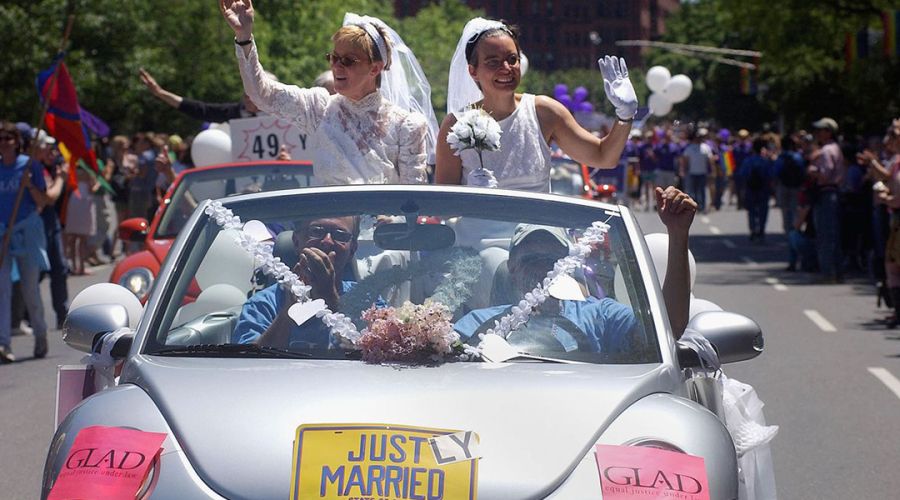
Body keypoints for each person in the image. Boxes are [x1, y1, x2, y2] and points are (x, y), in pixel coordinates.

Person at [220, 1, 437, 185]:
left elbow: (412, 204)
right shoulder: (319, 107)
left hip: (383, 233)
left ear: (375, 68)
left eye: (348, 61)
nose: (337, 67)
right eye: (334, 58)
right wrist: (244, 36)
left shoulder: (406, 125)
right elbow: (261, 94)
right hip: (325, 231)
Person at [455, 186, 697, 347]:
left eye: (550, 261)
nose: (541, 270)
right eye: (530, 260)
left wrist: (678, 233)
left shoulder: (600, 316)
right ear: (513, 267)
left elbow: (668, 330)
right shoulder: (478, 322)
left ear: (566, 266)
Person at [435, 18, 636, 192]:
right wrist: (469, 195)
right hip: (477, 235)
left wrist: (625, 116)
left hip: (535, 235)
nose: (506, 68)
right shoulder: (456, 124)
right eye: (493, 62)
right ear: (473, 71)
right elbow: (443, 209)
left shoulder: (544, 112)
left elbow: (603, 157)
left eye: (512, 59)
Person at [233, 216, 360, 348]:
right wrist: (289, 311)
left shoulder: (368, 300)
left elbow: (375, 353)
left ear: (353, 249)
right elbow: (249, 362)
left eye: (340, 235)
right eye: (316, 231)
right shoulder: (262, 305)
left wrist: (331, 299)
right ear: (296, 241)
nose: (327, 241)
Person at [0, 121, 51, 362]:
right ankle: (3, 344)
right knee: (2, 290)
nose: (4, 143)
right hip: (3, 235)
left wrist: (29, 185)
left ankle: (40, 336)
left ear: (17, 142)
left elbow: (44, 200)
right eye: (0, 139)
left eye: (8, 138)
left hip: (26, 233)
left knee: (30, 290)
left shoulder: (30, 166)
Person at [861, 118, 900, 325]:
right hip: (894, 216)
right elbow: (887, 178)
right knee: (892, 264)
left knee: (893, 265)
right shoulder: (895, 159)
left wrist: (889, 198)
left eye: (894, 135)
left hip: (896, 214)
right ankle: (896, 310)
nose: (889, 139)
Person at [34, 130, 69, 328]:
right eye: (44, 145)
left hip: (50, 221)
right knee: (34, 272)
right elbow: (49, 197)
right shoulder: (31, 167)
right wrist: (61, 179)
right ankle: (24, 316)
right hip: (35, 223)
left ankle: (62, 314)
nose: (49, 149)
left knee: (59, 268)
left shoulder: (48, 166)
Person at [139, 67, 261, 123]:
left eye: (254, 95)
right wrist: (160, 93)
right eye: (247, 95)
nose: (249, 100)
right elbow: (200, 109)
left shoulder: (277, 112)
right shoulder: (232, 112)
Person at [808, 117, 846, 283]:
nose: (817, 133)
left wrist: (812, 170)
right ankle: (836, 272)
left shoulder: (826, 151)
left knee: (825, 236)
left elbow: (825, 175)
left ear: (828, 132)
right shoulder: (835, 148)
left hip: (826, 193)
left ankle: (828, 273)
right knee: (833, 235)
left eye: (821, 130)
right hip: (833, 194)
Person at [739, 138, 774, 242]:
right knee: (763, 211)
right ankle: (761, 230)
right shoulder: (765, 161)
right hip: (764, 189)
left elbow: (743, 174)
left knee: (752, 211)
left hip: (751, 189)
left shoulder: (748, 161)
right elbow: (771, 175)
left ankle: (753, 229)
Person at [680, 128, 715, 213]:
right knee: (693, 191)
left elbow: (710, 160)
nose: (699, 139)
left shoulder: (706, 147)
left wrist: (713, 171)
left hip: (702, 173)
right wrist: (683, 170)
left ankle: (702, 207)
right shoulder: (689, 148)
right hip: (692, 173)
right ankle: (694, 207)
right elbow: (685, 160)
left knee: (702, 190)